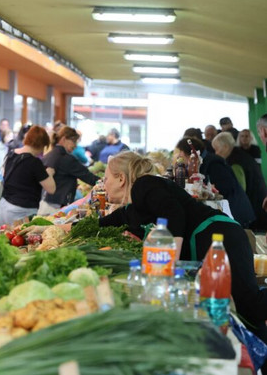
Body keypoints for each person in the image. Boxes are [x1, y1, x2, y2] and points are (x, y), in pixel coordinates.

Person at [97, 151, 267, 352]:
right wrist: (73, 228)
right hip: (212, 239)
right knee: (236, 309)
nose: (103, 184)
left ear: (121, 178)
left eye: (105, 179)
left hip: (222, 238)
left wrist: (171, 261)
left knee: (248, 304)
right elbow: (121, 217)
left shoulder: (144, 185)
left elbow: (173, 212)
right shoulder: (142, 197)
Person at [175, 137, 255, 228]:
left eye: (180, 152)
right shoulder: (201, 163)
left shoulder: (213, 163)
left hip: (236, 214)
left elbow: (226, 187)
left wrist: (209, 188)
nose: (178, 156)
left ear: (189, 153)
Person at [0, 125, 56, 225]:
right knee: (20, 239)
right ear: (42, 145)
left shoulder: (10, 154)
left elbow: (4, 174)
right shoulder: (35, 162)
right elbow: (51, 189)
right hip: (21, 211)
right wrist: (49, 173)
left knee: (4, 239)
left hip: (3, 207)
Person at [213, 132, 267, 230]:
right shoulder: (239, 155)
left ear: (225, 147)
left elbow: (240, 188)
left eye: (216, 149)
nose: (216, 153)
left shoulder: (234, 162)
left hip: (256, 209)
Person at [41, 126, 99, 214]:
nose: (75, 146)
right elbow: (88, 177)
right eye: (74, 141)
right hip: (57, 207)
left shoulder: (49, 155)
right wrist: (103, 183)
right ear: (64, 139)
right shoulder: (66, 159)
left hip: (45, 203)